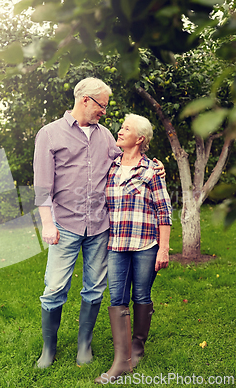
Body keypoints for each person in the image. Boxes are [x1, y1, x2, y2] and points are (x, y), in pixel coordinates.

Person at [33, 78, 165, 369]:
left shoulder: (105, 136)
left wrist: (155, 165)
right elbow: (42, 185)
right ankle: (48, 349)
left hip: (100, 227)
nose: (104, 111)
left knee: (94, 289)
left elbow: (129, 160)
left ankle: (84, 346)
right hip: (64, 225)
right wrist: (47, 224)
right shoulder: (49, 134)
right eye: (102, 105)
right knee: (54, 288)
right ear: (86, 101)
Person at [95, 114, 172, 383]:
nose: (120, 131)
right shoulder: (111, 167)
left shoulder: (152, 170)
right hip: (116, 244)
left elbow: (164, 211)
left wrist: (164, 249)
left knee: (141, 294)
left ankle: (136, 347)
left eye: (126, 128)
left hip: (145, 244)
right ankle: (122, 360)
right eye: (121, 127)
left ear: (140, 139)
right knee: (117, 297)